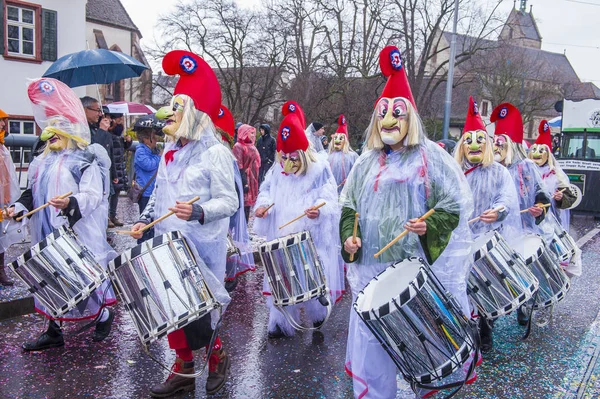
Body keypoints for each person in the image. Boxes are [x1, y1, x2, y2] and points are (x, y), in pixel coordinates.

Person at [340, 46, 475, 399]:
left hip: (411, 269)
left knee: (418, 337)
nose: (388, 120)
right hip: (370, 268)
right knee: (373, 342)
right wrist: (349, 239)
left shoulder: (431, 158)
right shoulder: (364, 163)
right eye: (383, 113)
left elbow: (452, 204)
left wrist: (428, 226)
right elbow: (349, 206)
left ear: (410, 118)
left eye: (396, 114)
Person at [130, 50, 236, 397]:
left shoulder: (216, 153)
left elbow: (229, 202)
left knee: (198, 311)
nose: (170, 112)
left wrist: (199, 211)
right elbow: (159, 192)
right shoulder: (170, 151)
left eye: (178, 106)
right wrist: (145, 221)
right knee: (172, 307)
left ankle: (217, 355)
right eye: (171, 104)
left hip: (200, 245)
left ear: (194, 113)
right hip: (167, 241)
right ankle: (184, 367)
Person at [7, 78, 116, 350]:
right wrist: (19, 208)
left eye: (56, 126)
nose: (49, 131)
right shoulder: (41, 160)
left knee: (82, 280)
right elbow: (31, 193)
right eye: (48, 126)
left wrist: (70, 203)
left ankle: (103, 314)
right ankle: (54, 331)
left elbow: (93, 194)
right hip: (45, 231)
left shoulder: (86, 157)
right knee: (50, 278)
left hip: (76, 231)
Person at [253, 100, 344, 338]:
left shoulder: (320, 169)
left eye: (293, 157)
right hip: (281, 235)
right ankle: (281, 322)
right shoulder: (277, 170)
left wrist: (319, 210)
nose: (288, 162)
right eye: (284, 156)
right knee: (281, 278)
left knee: (309, 276)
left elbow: (330, 199)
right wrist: (262, 207)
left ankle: (317, 314)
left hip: (309, 236)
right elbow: (266, 191)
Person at [453, 96, 522, 352]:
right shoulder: (454, 170)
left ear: (488, 144)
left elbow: (506, 198)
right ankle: (466, 328)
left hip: (486, 238)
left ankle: (485, 327)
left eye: (479, 139)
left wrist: (498, 211)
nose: (473, 144)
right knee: (462, 288)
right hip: (459, 241)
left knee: (484, 285)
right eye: (468, 140)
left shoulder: (499, 172)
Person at [491, 103, 551, 327]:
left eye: (501, 143)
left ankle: (524, 306)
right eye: (495, 142)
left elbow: (541, 193)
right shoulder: (490, 168)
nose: (497, 147)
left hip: (523, 227)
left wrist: (539, 208)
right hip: (496, 228)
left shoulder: (527, 166)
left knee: (523, 268)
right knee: (491, 272)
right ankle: (489, 321)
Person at [529, 120, 581, 277]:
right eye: (534, 150)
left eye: (541, 150)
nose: (537, 153)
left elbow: (570, 197)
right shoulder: (525, 172)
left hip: (552, 221)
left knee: (550, 253)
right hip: (531, 217)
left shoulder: (556, 174)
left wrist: (560, 197)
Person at [214, 105, 256, 290]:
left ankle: (231, 270)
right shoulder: (237, 148)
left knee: (232, 232)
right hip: (235, 188)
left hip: (241, 188)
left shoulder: (241, 149)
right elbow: (237, 167)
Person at [81, 96, 118, 221]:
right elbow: (91, 152)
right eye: (97, 110)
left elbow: (107, 152)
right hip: (89, 180)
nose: (100, 113)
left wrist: (113, 173)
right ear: (85, 110)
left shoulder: (93, 127)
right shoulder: (81, 129)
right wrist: (102, 131)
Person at [0, 108, 23, 286]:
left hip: (2, 200)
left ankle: (1, 269)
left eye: (4, 121)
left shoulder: (3, 148)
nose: (2, 124)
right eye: (0, 121)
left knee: (1, 233)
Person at [132, 114, 162, 244]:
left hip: (152, 190)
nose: (155, 139)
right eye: (153, 136)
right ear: (146, 139)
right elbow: (148, 165)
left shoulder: (152, 150)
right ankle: (142, 245)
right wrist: (160, 157)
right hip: (145, 193)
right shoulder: (141, 151)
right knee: (144, 224)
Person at [107, 112, 131, 227]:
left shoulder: (119, 133)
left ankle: (112, 215)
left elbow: (122, 148)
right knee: (109, 193)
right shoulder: (109, 132)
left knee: (116, 192)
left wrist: (128, 142)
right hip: (113, 166)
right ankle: (107, 217)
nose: (120, 120)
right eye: (118, 118)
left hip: (119, 166)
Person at [233, 124, 261, 220]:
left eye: (254, 133)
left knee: (247, 207)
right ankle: (238, 230)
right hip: (243, 179)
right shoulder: (238, 146)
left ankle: (244, 229)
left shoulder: (251, 146)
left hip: (252, 179)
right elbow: (238, 166)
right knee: (240, 205)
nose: (253, 135)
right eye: (251, 133)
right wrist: (244, 182)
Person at [328, 114, 359, 194]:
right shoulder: (328, 156)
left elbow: (357, 171)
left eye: (341, 138)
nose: (337, 141)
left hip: (347, 192)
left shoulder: (352, 156)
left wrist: (350, 180)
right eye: (335, 138)